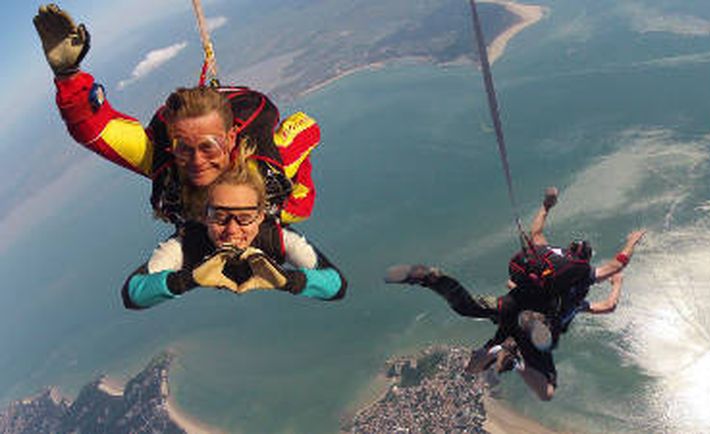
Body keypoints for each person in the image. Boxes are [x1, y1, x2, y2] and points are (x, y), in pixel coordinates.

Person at [33, 4, 318, 227]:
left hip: (258, 170)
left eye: (208, 146)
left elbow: (308, 130)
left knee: (294, 211)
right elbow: (94, 129)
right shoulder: (167, 164)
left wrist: (279, 205)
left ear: (232, 139)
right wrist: (68, 75)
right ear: (172, 146)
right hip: (217, 197)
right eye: (184, 148)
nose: (196, 161)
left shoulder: (270, 164)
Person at [385, 187, 645, 400]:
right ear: (584, 262)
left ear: (568, 250)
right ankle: (516, 357)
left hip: (511, 305)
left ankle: (433, 279)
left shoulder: (546, 255)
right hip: (534, 323)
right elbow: (615, 279)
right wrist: (621, 273)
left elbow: (536, 232)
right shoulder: (578, 294)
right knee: (546, 389)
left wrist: (547, 205)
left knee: (470, 309)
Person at [123, 146, 346, 310]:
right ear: (202, 216)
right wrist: (187, 280)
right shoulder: (189, 242)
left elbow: (337, 286)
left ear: (261, 216)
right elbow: (132, 294)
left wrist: (288, 280)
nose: (232, 230)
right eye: (219, 217)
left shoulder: (275, 237)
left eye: (245, 218)